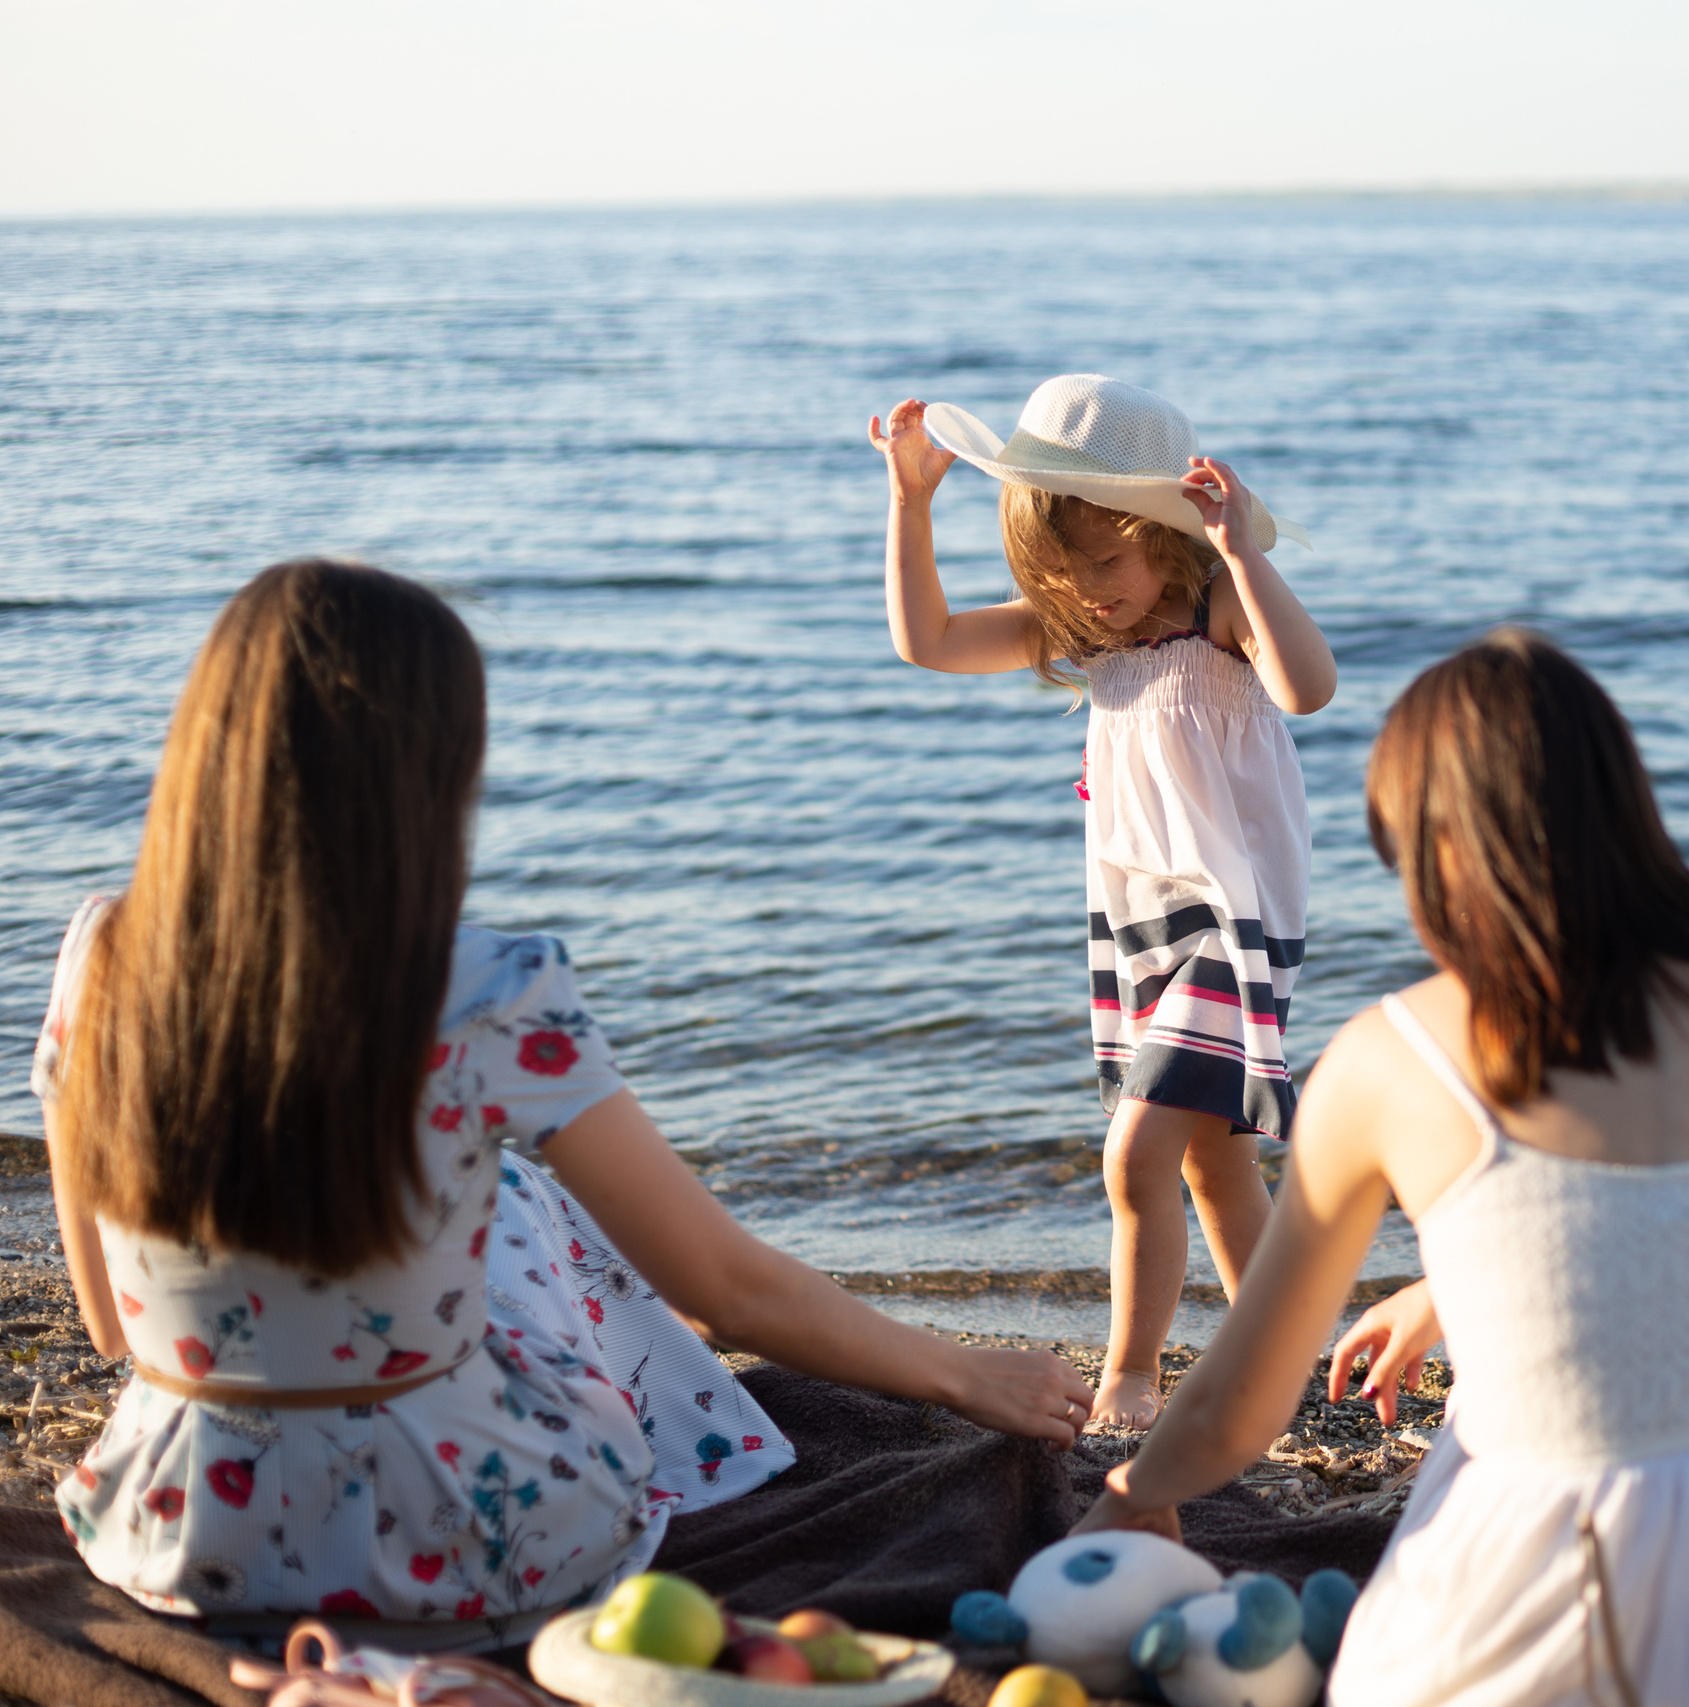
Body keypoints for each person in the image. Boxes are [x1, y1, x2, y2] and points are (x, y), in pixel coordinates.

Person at [31, 561, 1094, 1644]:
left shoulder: (101, 957)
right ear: (433, 766)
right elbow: (725, 1289)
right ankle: (698, 1444)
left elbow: (112, 1321)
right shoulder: (486, 988)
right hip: (459, 1549)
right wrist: (965, 1376)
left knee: (464, 1203)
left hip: (181, 1536)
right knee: (524, 1205)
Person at [1075, 631, 1689, 1706]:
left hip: (1557, 1614)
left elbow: (1244, 1400)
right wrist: (1464, 1282)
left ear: (1423, 847)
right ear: (1627, 802)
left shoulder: (1397, 1054)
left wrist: (1135, 1491)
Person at [869, 375, 1335, 1430]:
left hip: (1233, 914)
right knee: (1215, 1160)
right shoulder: (1085, 636)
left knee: (1136, 1151)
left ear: (1162, 536)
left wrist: (1242, 553)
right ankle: (1285, 1348)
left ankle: (1130, 1374)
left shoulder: (1218, 611)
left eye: (1105, 564)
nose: (1085, 592)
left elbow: (1309, 687)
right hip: (1141, 925)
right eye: (1060, 574)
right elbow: (929, 641)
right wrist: (910, 503)